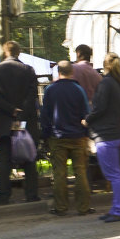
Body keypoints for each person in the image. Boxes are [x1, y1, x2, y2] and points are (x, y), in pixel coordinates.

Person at [0, 41, 41, 205]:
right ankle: (31, 194)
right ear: (19, 52)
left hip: (4, 120)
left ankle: (3, 196)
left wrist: (10, 109)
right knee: (29, 156)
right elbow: (33, 94)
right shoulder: (28, 70)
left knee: (4, 159)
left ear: (5, 52)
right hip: (26, 121)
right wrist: (21, 111)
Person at [41, 61, 93, 217]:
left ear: (58, 72)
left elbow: (45, 116)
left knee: (59, 174)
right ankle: (83, 207)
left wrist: (46, 135)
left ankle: (61, 207)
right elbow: (86, 113)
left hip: (57, 137)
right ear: (72, 72)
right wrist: (86, 132)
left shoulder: (50, 90)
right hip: (78, 136)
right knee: (80, 172)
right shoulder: (79, 90)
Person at [87, 54, 120, 223]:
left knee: (113, 174)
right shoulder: (118, 83)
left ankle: (119, 209)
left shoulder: (106, 83)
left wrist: (87, 119)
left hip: (105, 133)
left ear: (105, 65)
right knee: (114, 173)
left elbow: (100, 108)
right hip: (112, 132)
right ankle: (116, 208)